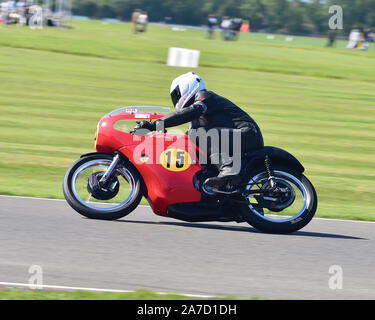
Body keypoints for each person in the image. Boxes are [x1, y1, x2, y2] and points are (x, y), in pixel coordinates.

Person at [135, 72, 264, 191]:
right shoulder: (196, 121)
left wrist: (156, 124)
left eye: (176, 95)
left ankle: (229, 171)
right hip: (235, 138)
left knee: (199, 134)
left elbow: (193, 111)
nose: (176, 99)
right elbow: (185, 141)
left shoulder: (205, 96)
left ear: (187, 86)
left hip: (247, 134)